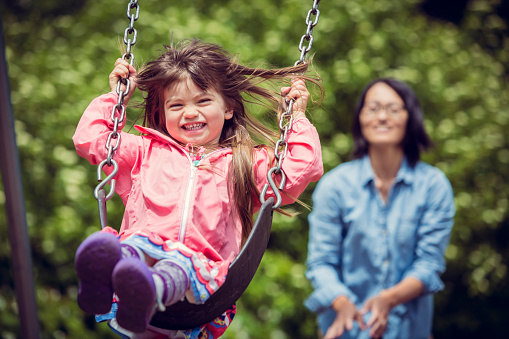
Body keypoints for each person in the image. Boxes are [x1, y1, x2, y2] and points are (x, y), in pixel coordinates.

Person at [73, 39, 323, 339]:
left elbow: (303, 167)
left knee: (179, 264)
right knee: (130, 250)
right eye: (176, 105)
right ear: (163, 114)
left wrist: (296, 118)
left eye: (202, 101)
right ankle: (106, 280)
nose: (189, 112)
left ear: (228, 107)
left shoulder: (245, 163)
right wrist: (116, 97)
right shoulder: (145, 151)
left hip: (197, 284)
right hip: (139, 261)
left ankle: (147, 290)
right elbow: (90, 139)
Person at [304, 78, 455, 339]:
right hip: (346, 331)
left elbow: (429, 263)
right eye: (372, 109)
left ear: (411, 117)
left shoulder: (433, 186)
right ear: (360, 119)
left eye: (393, 109)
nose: (382, 117)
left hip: (408, 330)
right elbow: (321, 263)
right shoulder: (335, 186)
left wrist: (389, 298)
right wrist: (342, 303)